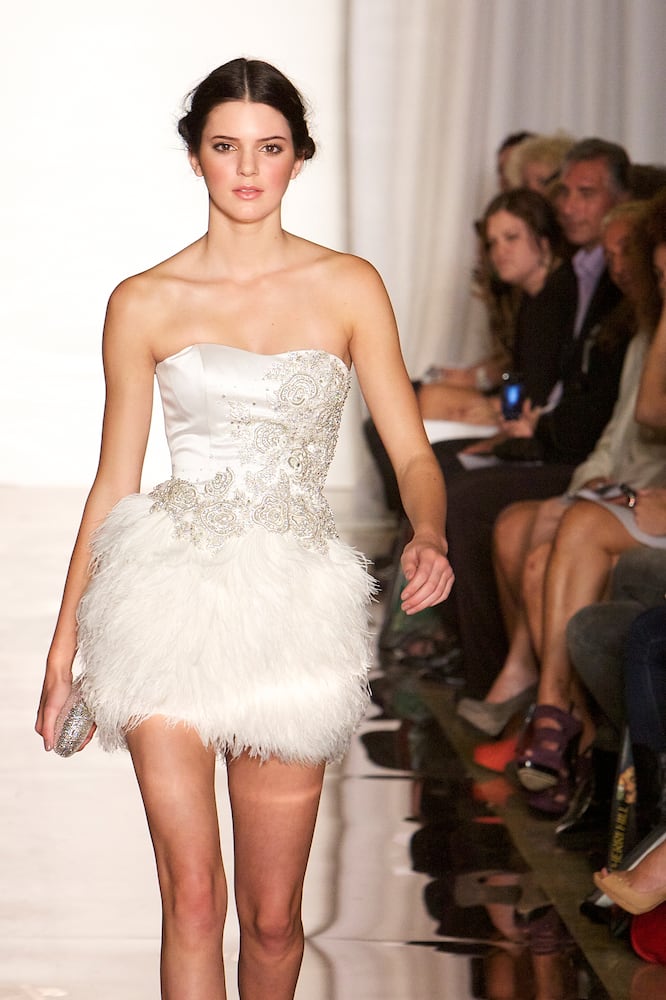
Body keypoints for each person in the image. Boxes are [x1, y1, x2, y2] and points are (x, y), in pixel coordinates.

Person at [34, 59, 454, 1000]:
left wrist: (428, 530)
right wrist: (65, 650)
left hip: (292, 609)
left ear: (299, 158)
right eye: (227, 146)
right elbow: (113, 484)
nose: (249, 168)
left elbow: (413, 453)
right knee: (191, 900)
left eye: (270, 147)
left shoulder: (349, 287)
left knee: (272, 919)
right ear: (197, 157)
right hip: (163, 599)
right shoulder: (144, 300)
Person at [427, 138, 633, 697]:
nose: (569, 204)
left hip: (581, 455)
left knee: (460, 494)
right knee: (441, 472)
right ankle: (470, 658)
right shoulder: (572, 281)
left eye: (585, 192)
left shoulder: (597, 285)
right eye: (564, 192)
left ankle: (487, 674)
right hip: (569, 444)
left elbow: (582, 398)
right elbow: (544, 383)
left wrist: (527, 425)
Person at [416, 188, 574, 426]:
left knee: (426, 403)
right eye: (492, 243)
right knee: (425, 399)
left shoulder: (560, 293)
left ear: (544, 239)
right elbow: (519, 374)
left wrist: (499, 408)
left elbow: (544, 390)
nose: (500, 251)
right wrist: (500, 405)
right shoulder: (530, 298)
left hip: (543, 423)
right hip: (520, 412)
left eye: (511, 238)